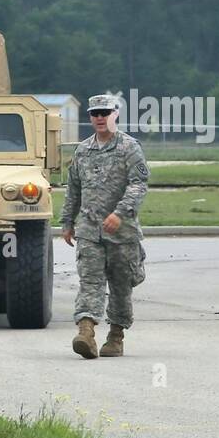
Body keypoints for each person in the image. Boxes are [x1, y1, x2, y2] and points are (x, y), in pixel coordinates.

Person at [60, 93, 149, 359]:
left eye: (105, 113)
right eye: (95, 113)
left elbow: (139, 184)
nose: (100, 118)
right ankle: (86, 332)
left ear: (116, 114)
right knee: (90, 281)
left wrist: (120, 213)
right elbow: (73, 188)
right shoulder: (83, 149)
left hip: (122, 233)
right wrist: (67, 221)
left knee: (121, 285)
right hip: (89, 230)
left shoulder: (129, 147)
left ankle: (116, 336)